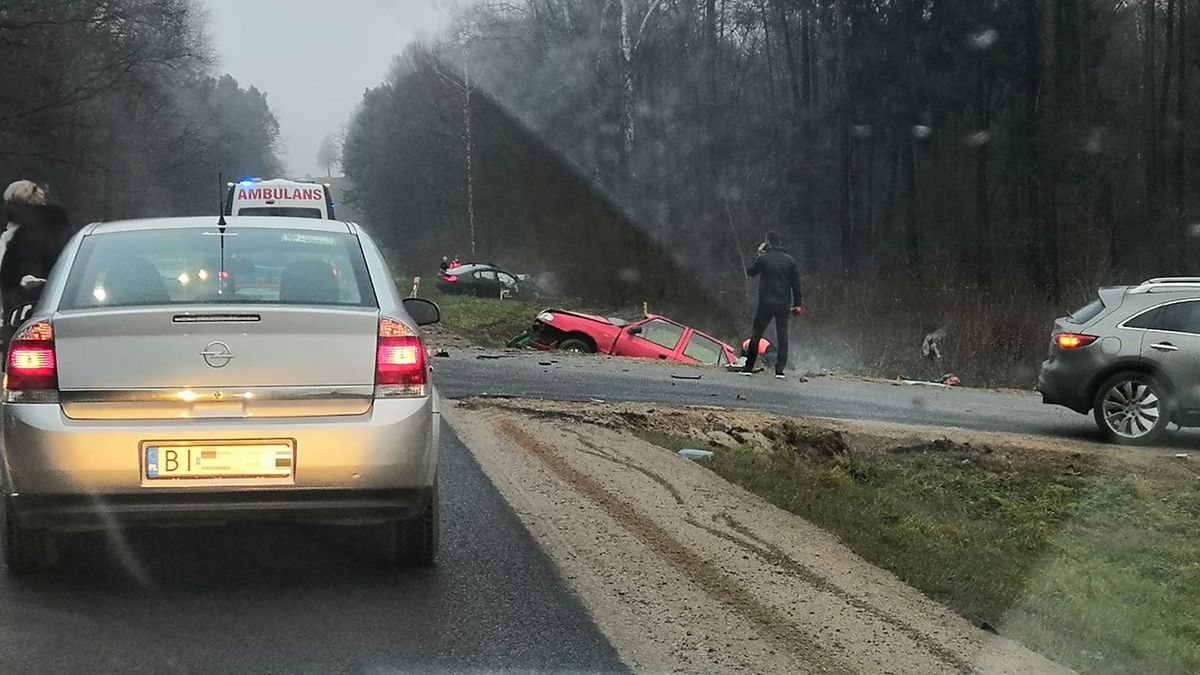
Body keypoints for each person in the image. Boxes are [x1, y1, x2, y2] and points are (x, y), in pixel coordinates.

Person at [1, 181, 76, 352]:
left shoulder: (18, 237)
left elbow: (8, 277)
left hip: (22, 310)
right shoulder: (64, 231)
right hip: (59, 305)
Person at [741, 231, 803, 379]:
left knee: (757, 334)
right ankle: (780, 370)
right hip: (783, 304)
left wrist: (758, 254)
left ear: (767, 242)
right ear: (780, 243)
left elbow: (751, 272)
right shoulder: (790, 261)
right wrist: (798, 304)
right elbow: (796, 284)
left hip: (766, 303)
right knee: (783, 336)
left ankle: (748, 367)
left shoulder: (763, 259)